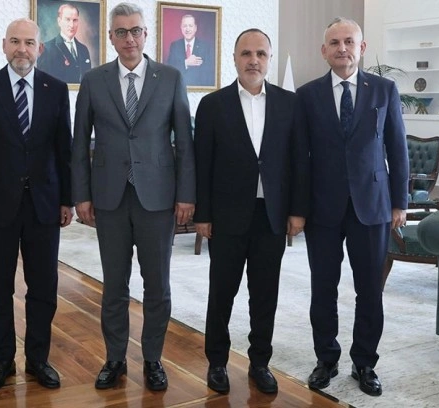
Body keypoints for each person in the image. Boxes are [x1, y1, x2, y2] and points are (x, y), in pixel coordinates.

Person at [71, 2, 195, 392]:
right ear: (111, 37)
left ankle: (153, 359)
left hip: (158, 199)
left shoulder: (171, 78)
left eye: (136, 30)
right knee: (114, 285)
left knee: (157, 286)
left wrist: (186, 195)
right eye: (121, 32)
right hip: (109, 198)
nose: (130, 39)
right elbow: (79, 144)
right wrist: (81, 195)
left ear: (145, 34)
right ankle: (115, 359)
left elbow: (184, 143)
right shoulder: (93, 80)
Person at [296, 17, 408, 397]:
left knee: (370, 290)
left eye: (348, 41)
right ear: (323, 50)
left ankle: (365, 363)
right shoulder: (307, 95)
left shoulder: (384, 90)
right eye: (334, 42)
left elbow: (397, 148)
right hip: (322, 208)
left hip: (372, 206)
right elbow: (300, 158)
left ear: (361, 48)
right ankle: (326, 359)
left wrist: (400, 202)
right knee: (323, 288)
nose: (341, 48)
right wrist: (298, 208)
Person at [193, 28, 309, 395]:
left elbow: (299, 163)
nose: (253, 60)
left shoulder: (290, 104)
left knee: (265, 295)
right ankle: (217, 362)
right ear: (235, 58)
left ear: (269, 59)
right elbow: (202, 164)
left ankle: (260, 363)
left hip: (271, 216)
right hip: (226, 216)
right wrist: (202, 215)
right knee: (221, 293)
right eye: (246, 53)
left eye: (260, 53)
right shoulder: (213, 105)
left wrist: (297, 211)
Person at [0, 18, 73, 392]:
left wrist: (67, 199)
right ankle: (2, 360)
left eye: (28, 42)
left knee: (43, 287)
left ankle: (38, 359)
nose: (21, 49)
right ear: (4, 45)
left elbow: (64, 150)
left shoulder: (56, 90)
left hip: (44, 205)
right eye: (14, 41)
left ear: (40, 48)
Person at [38, 3, 92, 83]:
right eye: (68, 19)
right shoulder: (47, 48)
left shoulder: (83, 49)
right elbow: (42, 81)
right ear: (59, 21)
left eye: (75, 20)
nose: (72, 25)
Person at [166, 14, 215, 87]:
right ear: (181, 28)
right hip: (178, 87)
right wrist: (186, 63)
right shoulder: (175, 46)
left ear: (195, 28)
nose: (187, 29)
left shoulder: (205, 47)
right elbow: (169, 68)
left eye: (190, 26)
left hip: (199, 88)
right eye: (185, 26)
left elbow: (209, 72)